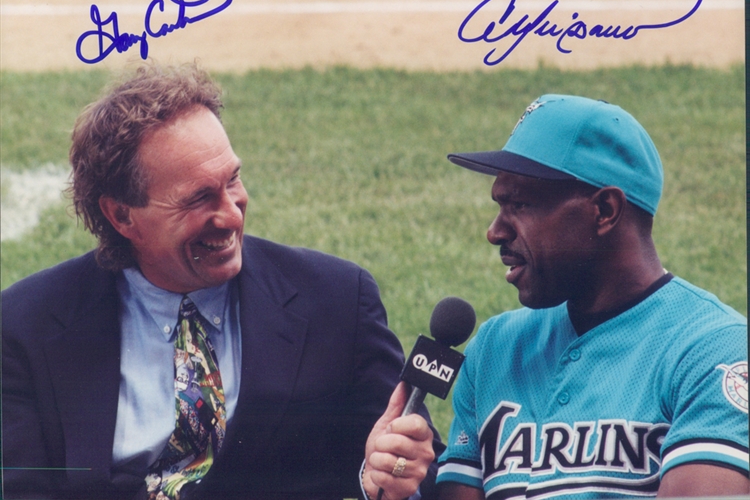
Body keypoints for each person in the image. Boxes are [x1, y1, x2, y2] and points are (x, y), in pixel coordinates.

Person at [2, 62, 437, 500]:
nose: (231, 214)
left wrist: (389, 475)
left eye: (232, 181)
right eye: (198, 198)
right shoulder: (26, 326)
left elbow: (412, 463)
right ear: (121, 215)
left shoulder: (336, 302)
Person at [432, 95, 748, 498]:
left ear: (604, 210)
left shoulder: (711, 351)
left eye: (521, 205)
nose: (495, 232)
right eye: (499, 205)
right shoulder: (495, 349)